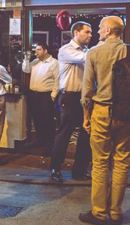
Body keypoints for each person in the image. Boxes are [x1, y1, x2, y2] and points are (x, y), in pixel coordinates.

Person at [79, 16, 130, 225]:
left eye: (100, 28)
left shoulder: (94, 52)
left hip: (102, 111)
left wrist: (86, 115)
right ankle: (116, 211)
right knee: (122, 162)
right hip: (128, 114)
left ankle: (99, 212)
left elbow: (87, 90)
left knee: (100, 163)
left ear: (108, 30)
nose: (98, 31)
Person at [50, 22, 93, 182]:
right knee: (64, 133)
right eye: (87, 32)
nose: (90, 35)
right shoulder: (66, 50)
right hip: (69, 97)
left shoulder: (88, 51)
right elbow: (86, 59)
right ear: (76, 32)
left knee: (85, 135)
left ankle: (79, 169)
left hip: (85, 97)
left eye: (91, 32)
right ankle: (55, 167)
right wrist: (104, 47)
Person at [22, 43, 59, 156]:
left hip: (46, 95)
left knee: (47, 121)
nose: (36, 52)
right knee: (37, 119)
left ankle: (49, 146)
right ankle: (40, 140)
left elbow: (58, 79)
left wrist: (53, 96)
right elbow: (26, 70)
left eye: (38, 50)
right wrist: (26, 59)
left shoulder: (54, 63)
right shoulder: (35, 62)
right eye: (35, 50)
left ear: (45, 50)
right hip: (34, 94)